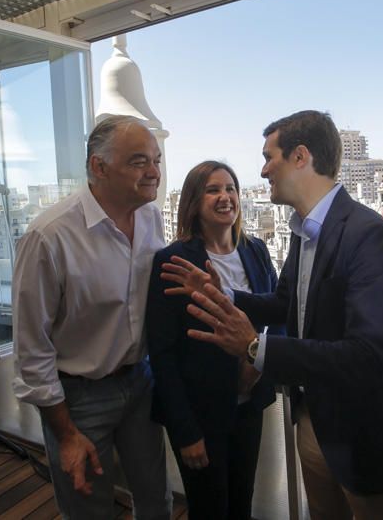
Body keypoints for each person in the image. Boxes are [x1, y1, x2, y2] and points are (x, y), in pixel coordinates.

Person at [161, 110, 383, 520]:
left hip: (363, 431)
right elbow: (284, 303)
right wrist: (223, 292)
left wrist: (255, 347)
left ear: (300, 157)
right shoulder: (305, 231)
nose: (264, 170)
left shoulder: (366, 233)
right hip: (313, 419)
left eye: (270, 157)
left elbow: (367, 353)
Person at [12, 116, 172, 520]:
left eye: (156, 159)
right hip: (77, 399)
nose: (154, 171)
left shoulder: (152, 218)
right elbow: (32, 349)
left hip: (141, 382)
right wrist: (64, 433)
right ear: (99, 167)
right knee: (88, 509)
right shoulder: (48, 236)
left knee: (156, 501)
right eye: (139, 161)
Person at [146, 161, 280, 519]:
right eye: (213, 190)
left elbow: (279, 314)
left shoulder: (255, 251)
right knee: (208, 509)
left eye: (231, 188)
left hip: (248, 405)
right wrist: (185, 430)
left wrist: (259, 361)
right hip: (199, 412)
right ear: (193, 202)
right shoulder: (173, 260)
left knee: (241, 503)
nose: (225, 197)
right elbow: (162, 353)